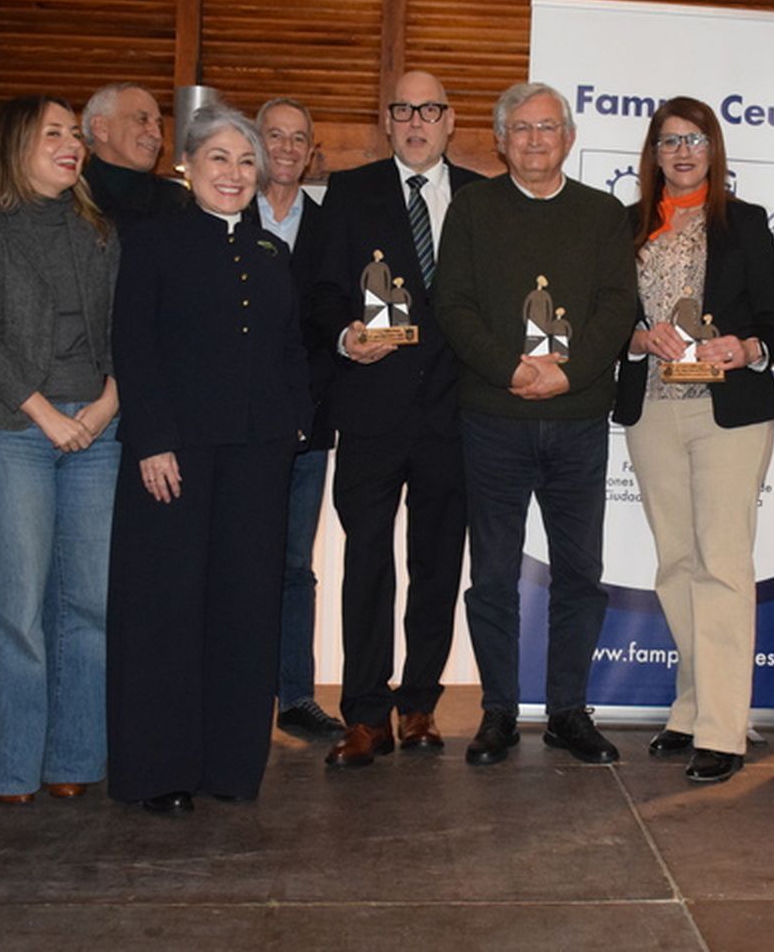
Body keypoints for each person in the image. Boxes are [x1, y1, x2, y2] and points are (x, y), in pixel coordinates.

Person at [106, 104, 313, 814]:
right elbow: (134, 347)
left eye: (246, 161)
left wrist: (291, 431)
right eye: (219, 159)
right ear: (187, 166)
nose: (234, 174)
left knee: (244, 608)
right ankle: (161, 772)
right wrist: (152, 440)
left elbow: (289, 350)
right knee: (169, 610)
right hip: (175, 458)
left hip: (257, 460)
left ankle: (230, 765)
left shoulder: (271, 254)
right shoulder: (154, 242)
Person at [433, 81, 638, 767]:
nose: (534, 140)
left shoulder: (604, 214)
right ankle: (497, 712)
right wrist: (510, 369)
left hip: (577, 419)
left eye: (547, 127)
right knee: (492, 574)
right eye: (520, 128)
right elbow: (452, 303)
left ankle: (567, 712)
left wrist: (569, 372)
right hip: (493, 418)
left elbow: (617, 306)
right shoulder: (471, 209)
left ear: (569, 138)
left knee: (580, 573)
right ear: (500, 140)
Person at [0, 95, 121, 804]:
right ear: (16, 145)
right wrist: (47, 414)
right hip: (15, 429)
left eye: (75, 135)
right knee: (15, 606)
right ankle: (12, 768)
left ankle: (73, 758)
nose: (71, 144)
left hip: (100, 430)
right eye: (54, 133)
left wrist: (109, 403)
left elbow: (130, 328)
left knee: (89, 606)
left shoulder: (100, 231)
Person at [612, 97, 774, 784]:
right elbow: (613, 318)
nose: (682, 152)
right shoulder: (626, 226)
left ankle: (723, 728)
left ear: (713, 150)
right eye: (668, 141)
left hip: (727, 411)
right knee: (676, 565)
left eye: (695, 140)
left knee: (721, 563)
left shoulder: (743, 222)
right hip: (653, 406)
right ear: (652, 155)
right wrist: (637, 336)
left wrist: (743, 347)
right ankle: (690, 711)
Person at [309, 71, 482, 767]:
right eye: (403, 109)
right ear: (387, 120)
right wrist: (347, 337)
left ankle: (418, 707)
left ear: (450, 121)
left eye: (429, 109)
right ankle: (364, 715)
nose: (416, 121)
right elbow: (320, 292)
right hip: (373, 413)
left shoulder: (481, 198)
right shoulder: (351, 193)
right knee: (367, 566)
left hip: (454, 414)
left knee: (438, 569)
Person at [256, 96, 345, 740]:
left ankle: (295, 696)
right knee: (228, 559)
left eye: (298, 140)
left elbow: (334, 320)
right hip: (228, 426)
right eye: (274, 136)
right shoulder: (220, 219)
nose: (286, 149)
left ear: (311, 154)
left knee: (294, 564)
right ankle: (230, 693)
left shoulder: (331, 227)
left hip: (306, 424)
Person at [80, 82, 188, 234]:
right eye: (142, 119)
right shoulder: (67, 199)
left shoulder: (178, 201)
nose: (157, 135)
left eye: (159, 126)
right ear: (101, 128)